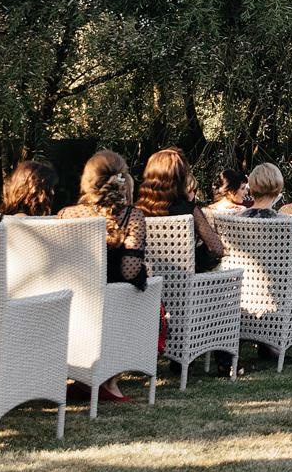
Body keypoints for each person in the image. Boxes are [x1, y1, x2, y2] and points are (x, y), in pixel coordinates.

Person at [59, 151, 147, 405]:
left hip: (74, 305)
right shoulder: (132, 216)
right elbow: (130, 270)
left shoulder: (67, 214)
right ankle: (109, 380)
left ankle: (83, 379)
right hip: (112, 305)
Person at [138, 148, 225, 271]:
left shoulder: (138, 212)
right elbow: (217, 249)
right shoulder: (189, 210)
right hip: (184, 281)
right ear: (180, 178)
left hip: (150, 282)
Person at [239, 162, 292, 271]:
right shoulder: (284, 222)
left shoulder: (235, 218)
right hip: (278, 284)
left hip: (243, 283)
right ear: (278, 189)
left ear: (251, 189)